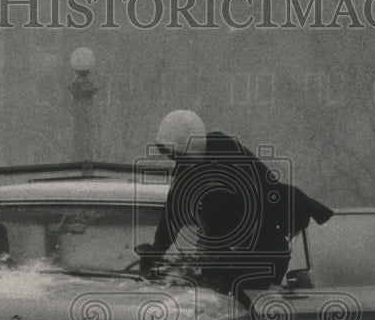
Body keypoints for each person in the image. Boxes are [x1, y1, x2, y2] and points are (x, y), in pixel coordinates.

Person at [137, 110, 333, 302]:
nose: (175, 161)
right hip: (240, 245)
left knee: (244, 298)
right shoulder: (188, 167)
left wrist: (217, 255)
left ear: (189, 146)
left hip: (271, 233)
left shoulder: (230, 158)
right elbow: (173, 213)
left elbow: (243, 217)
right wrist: (156, 250)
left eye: (176, 154)